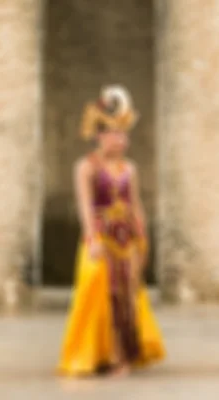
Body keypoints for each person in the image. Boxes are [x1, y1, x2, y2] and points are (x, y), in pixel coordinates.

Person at [58, 85, 166, 377]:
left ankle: (123, 356)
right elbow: (85, 206)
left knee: (126, 296)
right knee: (98, 293)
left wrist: (143, 239)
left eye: (124, 134)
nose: (121, 140)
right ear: (100, 135)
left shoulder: (129, 169)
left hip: (126, 240)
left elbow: (135, 205)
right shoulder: (86, 167)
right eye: (115, 134)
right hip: (102, 238)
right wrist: (92, 238)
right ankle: (96, 352)